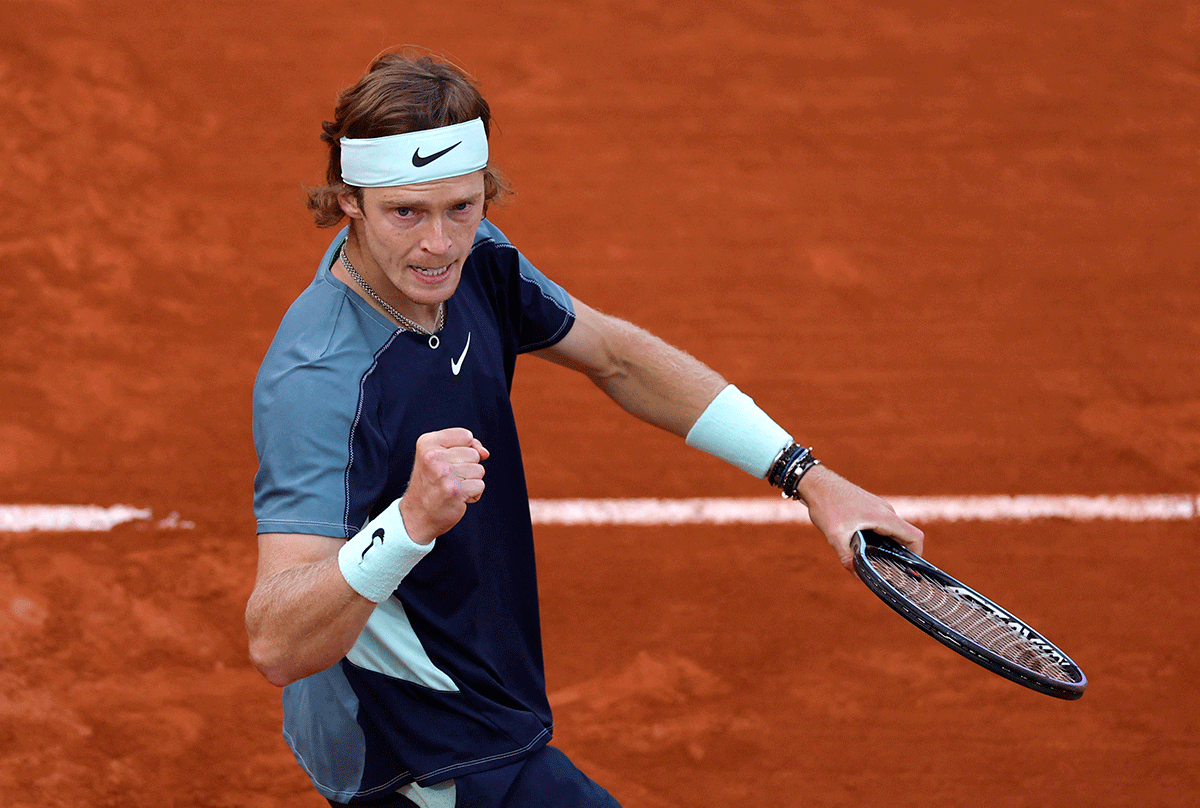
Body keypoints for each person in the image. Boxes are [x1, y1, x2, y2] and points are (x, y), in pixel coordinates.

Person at [246, 51, 923, 808]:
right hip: (417, 748)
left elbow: (617, 357)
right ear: (350, 202)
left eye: (461, 208)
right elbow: (275, 642)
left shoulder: (477, 264)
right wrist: (407, 524)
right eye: (407, 212)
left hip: (480, 696)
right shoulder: (319, 381)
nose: (439, 245)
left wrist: (808, 476)